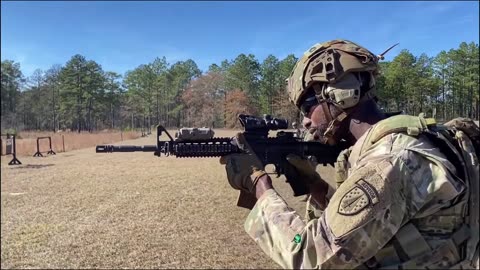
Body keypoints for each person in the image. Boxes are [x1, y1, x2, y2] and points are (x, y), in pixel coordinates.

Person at [220, 39, 479, 269]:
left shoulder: (389, 160)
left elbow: (310, 256)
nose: (306, 121)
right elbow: (376, 222)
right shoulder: (412, 139)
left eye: (308, 107)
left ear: (339, 95)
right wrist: (316, 187)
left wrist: (259, 184)